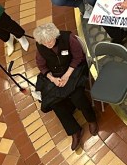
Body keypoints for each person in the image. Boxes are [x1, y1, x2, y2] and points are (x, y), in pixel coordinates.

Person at [32, 23, 97, 151]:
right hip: (55, 76)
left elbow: (78, 57)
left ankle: (91, 119)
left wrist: (67, 75)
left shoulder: (68, 38)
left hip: (73, 71)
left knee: (78, 96)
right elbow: (42, 67)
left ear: (55, 36)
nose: (48, 44)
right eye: (45, 43)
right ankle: (74, 131)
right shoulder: (41, 47)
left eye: (50, 41)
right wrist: (53, 79)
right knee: (54, 103)